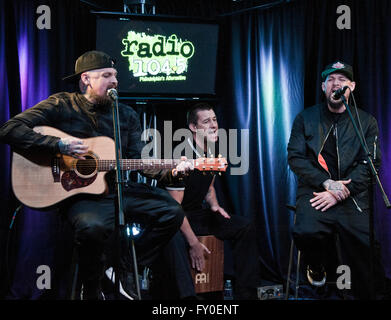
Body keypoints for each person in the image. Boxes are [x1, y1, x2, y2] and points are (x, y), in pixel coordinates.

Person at [0, 50, 196, 300]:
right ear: (86, 79)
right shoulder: (62, 104)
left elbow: (137, 162)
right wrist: (58, 145)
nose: (114, 81)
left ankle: (120, 269)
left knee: (172, 212)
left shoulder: (126, 115)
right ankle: (91, 285)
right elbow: (9, 129)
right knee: (92, 227)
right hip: (80, 195)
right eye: (106, 75)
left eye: (115, 75)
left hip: (118, 188)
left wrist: (173, 173)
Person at [287, 61, 385, 299]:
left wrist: (341, 191)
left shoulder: (367, 121)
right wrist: (327, 184)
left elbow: (372, 164)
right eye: (331, 80)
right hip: (316, 191)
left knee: (366, 245)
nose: (336, 84)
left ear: (352, 86)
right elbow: (296, 158)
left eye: (342, 80)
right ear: (323, 87)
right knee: (305, 231)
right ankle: (316, 267)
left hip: (352, 196)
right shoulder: (306, 118)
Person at [157, 103, 261, 300]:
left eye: (214, 120)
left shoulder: (212, 151)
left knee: (244, 227)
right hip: (174, 219)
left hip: (196, 213)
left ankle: (247, 295)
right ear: (193, 127)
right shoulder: (182, 156)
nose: (213, 125)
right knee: (175, 240)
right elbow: (174, 209)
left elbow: (209, 187)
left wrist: (215, 206)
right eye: (206, 121)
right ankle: (186, 298)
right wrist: (194, 242)